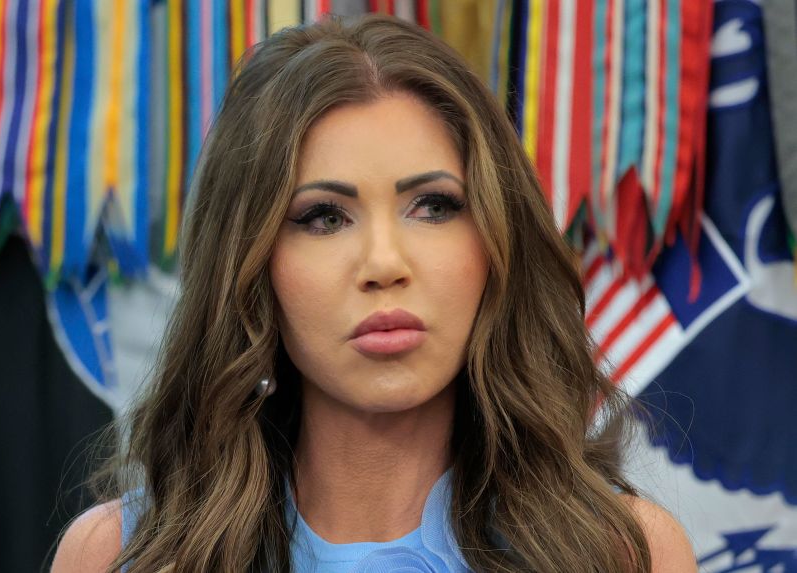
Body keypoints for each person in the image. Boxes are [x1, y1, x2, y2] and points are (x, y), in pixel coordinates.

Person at [51, 13, 696, 573]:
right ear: (249, 267)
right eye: (324, 217)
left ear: (496, 245)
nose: (384, 264)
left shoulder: (620, 553)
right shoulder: (119, 554)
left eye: (434, 206)